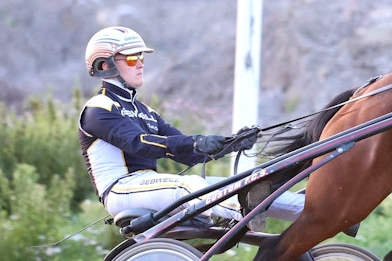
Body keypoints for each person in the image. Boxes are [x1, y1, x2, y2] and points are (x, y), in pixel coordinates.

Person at [78, 25, 302, 230]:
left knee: (235, 184)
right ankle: (242, 211)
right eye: (130, 58)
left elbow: (187, 152)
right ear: (104, 65)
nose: (139, 63)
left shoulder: (145, 111)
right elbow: (139, 144)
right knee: (189, 186)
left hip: (147, 186)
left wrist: (230, 144)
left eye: (141, 57)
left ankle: (311, 210)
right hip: (120, 190)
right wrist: (196, 141)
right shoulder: (98, 108)